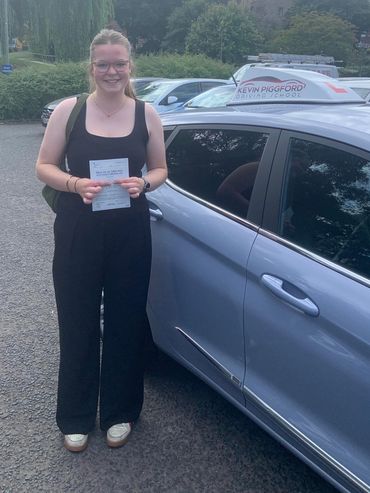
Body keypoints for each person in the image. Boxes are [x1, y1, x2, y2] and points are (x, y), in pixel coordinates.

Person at [36, 29, 167, 452]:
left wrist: (143, 182)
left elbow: (161, 169)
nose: (112, 71)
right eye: (103, 64)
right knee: (78, 320)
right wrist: (75, 183)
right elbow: (44, 167)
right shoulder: (69, 111)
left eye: (119, 63)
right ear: (91, 67)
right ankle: (75, 416)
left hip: (130, 229)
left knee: (127, 321)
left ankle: (120, 411)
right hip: (79, 228)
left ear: (130, 65)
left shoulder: (146, 113)